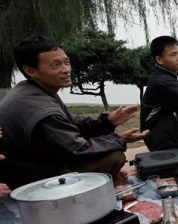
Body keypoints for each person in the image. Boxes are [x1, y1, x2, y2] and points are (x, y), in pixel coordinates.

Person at [0, 35, 148, 189]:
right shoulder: (40, 110)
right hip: (32, 179)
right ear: (31, 70)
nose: (66, 70)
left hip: (41, 161)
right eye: (56, 65)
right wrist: (119, 139)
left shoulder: (33, 90)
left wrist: (107, 121)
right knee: (113, 157)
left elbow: (71, 122)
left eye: (66, 62)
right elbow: (79, 149)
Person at [141, 36, 178, 151]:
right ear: (159, 59)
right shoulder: (162, 81)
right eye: (173, 55)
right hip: (161, 140)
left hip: (169, 136)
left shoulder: (170, 77)